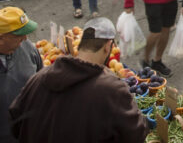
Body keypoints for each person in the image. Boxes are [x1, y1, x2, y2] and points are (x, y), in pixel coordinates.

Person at [9, 16, 147, 143]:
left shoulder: (38, 78)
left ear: (81, 43)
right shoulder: (112, 90)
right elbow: (135, 135)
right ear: (108, 46)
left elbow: (15, 121)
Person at [0, 7, 42, 143]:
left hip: (33, 132)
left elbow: (42, 80)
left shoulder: (27, 47)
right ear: (1, 38)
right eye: (19, 34)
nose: (25, 38)